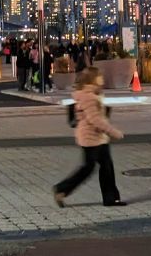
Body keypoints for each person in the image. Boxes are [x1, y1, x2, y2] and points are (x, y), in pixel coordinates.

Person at [53, 67, 125, 207]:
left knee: (106, 166)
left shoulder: (91, 94)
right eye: (99, 76)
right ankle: (61, 189)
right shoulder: (88, 96)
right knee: (89, 168)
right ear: (93, 79)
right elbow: (95, 119)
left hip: (97, 137)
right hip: (91, 138)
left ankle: (111, 198)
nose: (102, 78)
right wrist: (113, 132)